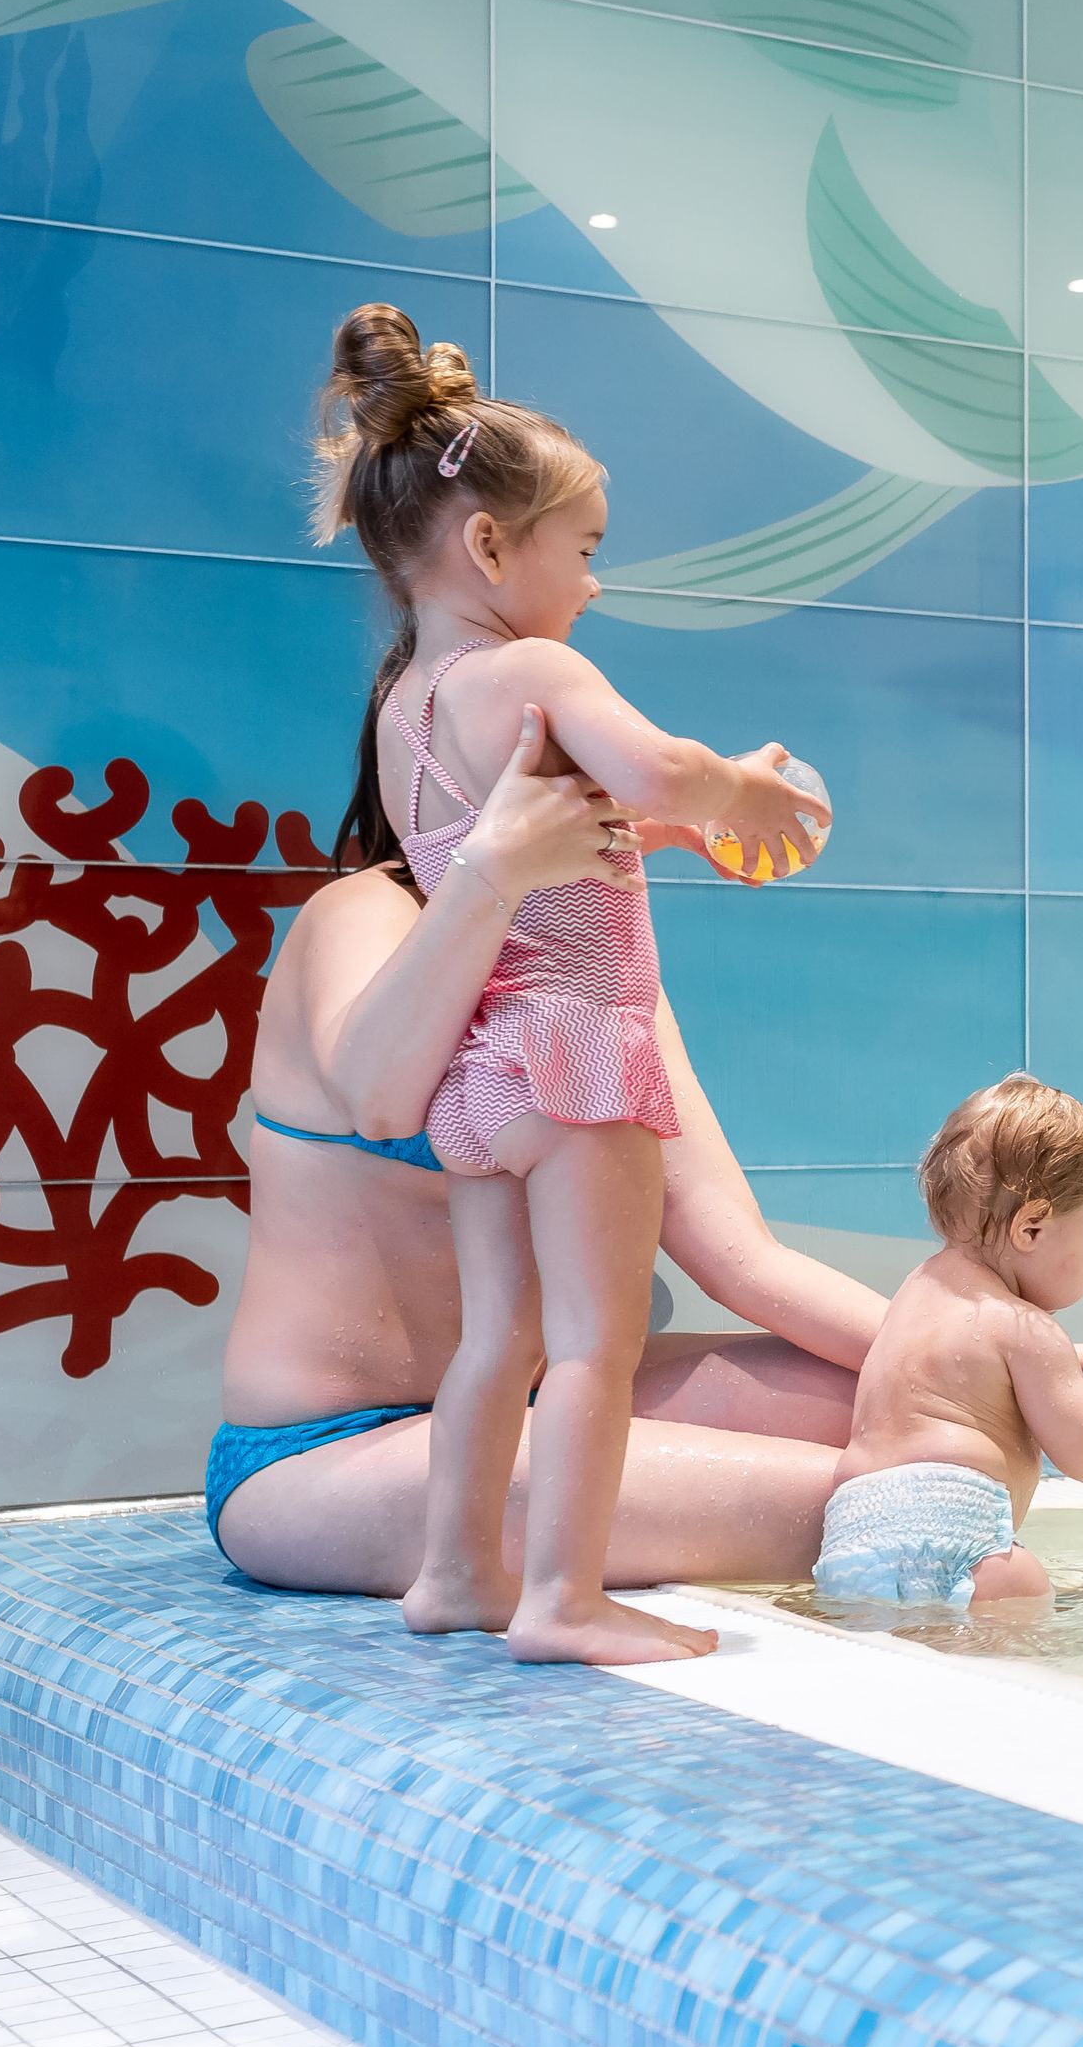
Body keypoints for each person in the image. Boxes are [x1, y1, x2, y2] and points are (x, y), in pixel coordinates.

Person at [316, 304, 826, 1663]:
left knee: (501, 1345)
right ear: (490, 545)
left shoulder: (405, 711)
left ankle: (454, 1577)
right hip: (579, 1060)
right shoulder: (532, 665)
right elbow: (654, 769)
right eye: (585, 551)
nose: (593, 586)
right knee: (594, 1348)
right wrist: (737, 786)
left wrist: (677, 830)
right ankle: (561, 1598)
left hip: (483, 1077)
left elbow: (561, 843)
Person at [208, 704, 886, 1607]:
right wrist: (498, 865)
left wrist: (1004, 1363)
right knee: (885, 1501)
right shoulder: (359, 916)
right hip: (330, 1454)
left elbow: (740, 1258)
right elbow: (380, 1098)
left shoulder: (591, 963)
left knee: (932, 1425)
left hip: (550, 1401)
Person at [811, 1078, 1083, 1607]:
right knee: (1031, 1638)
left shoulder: (921, 1290)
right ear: (1032, 1228)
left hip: (851, 1545)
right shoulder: (1031, 1330)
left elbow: (982, 1369)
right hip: (964, 1551)